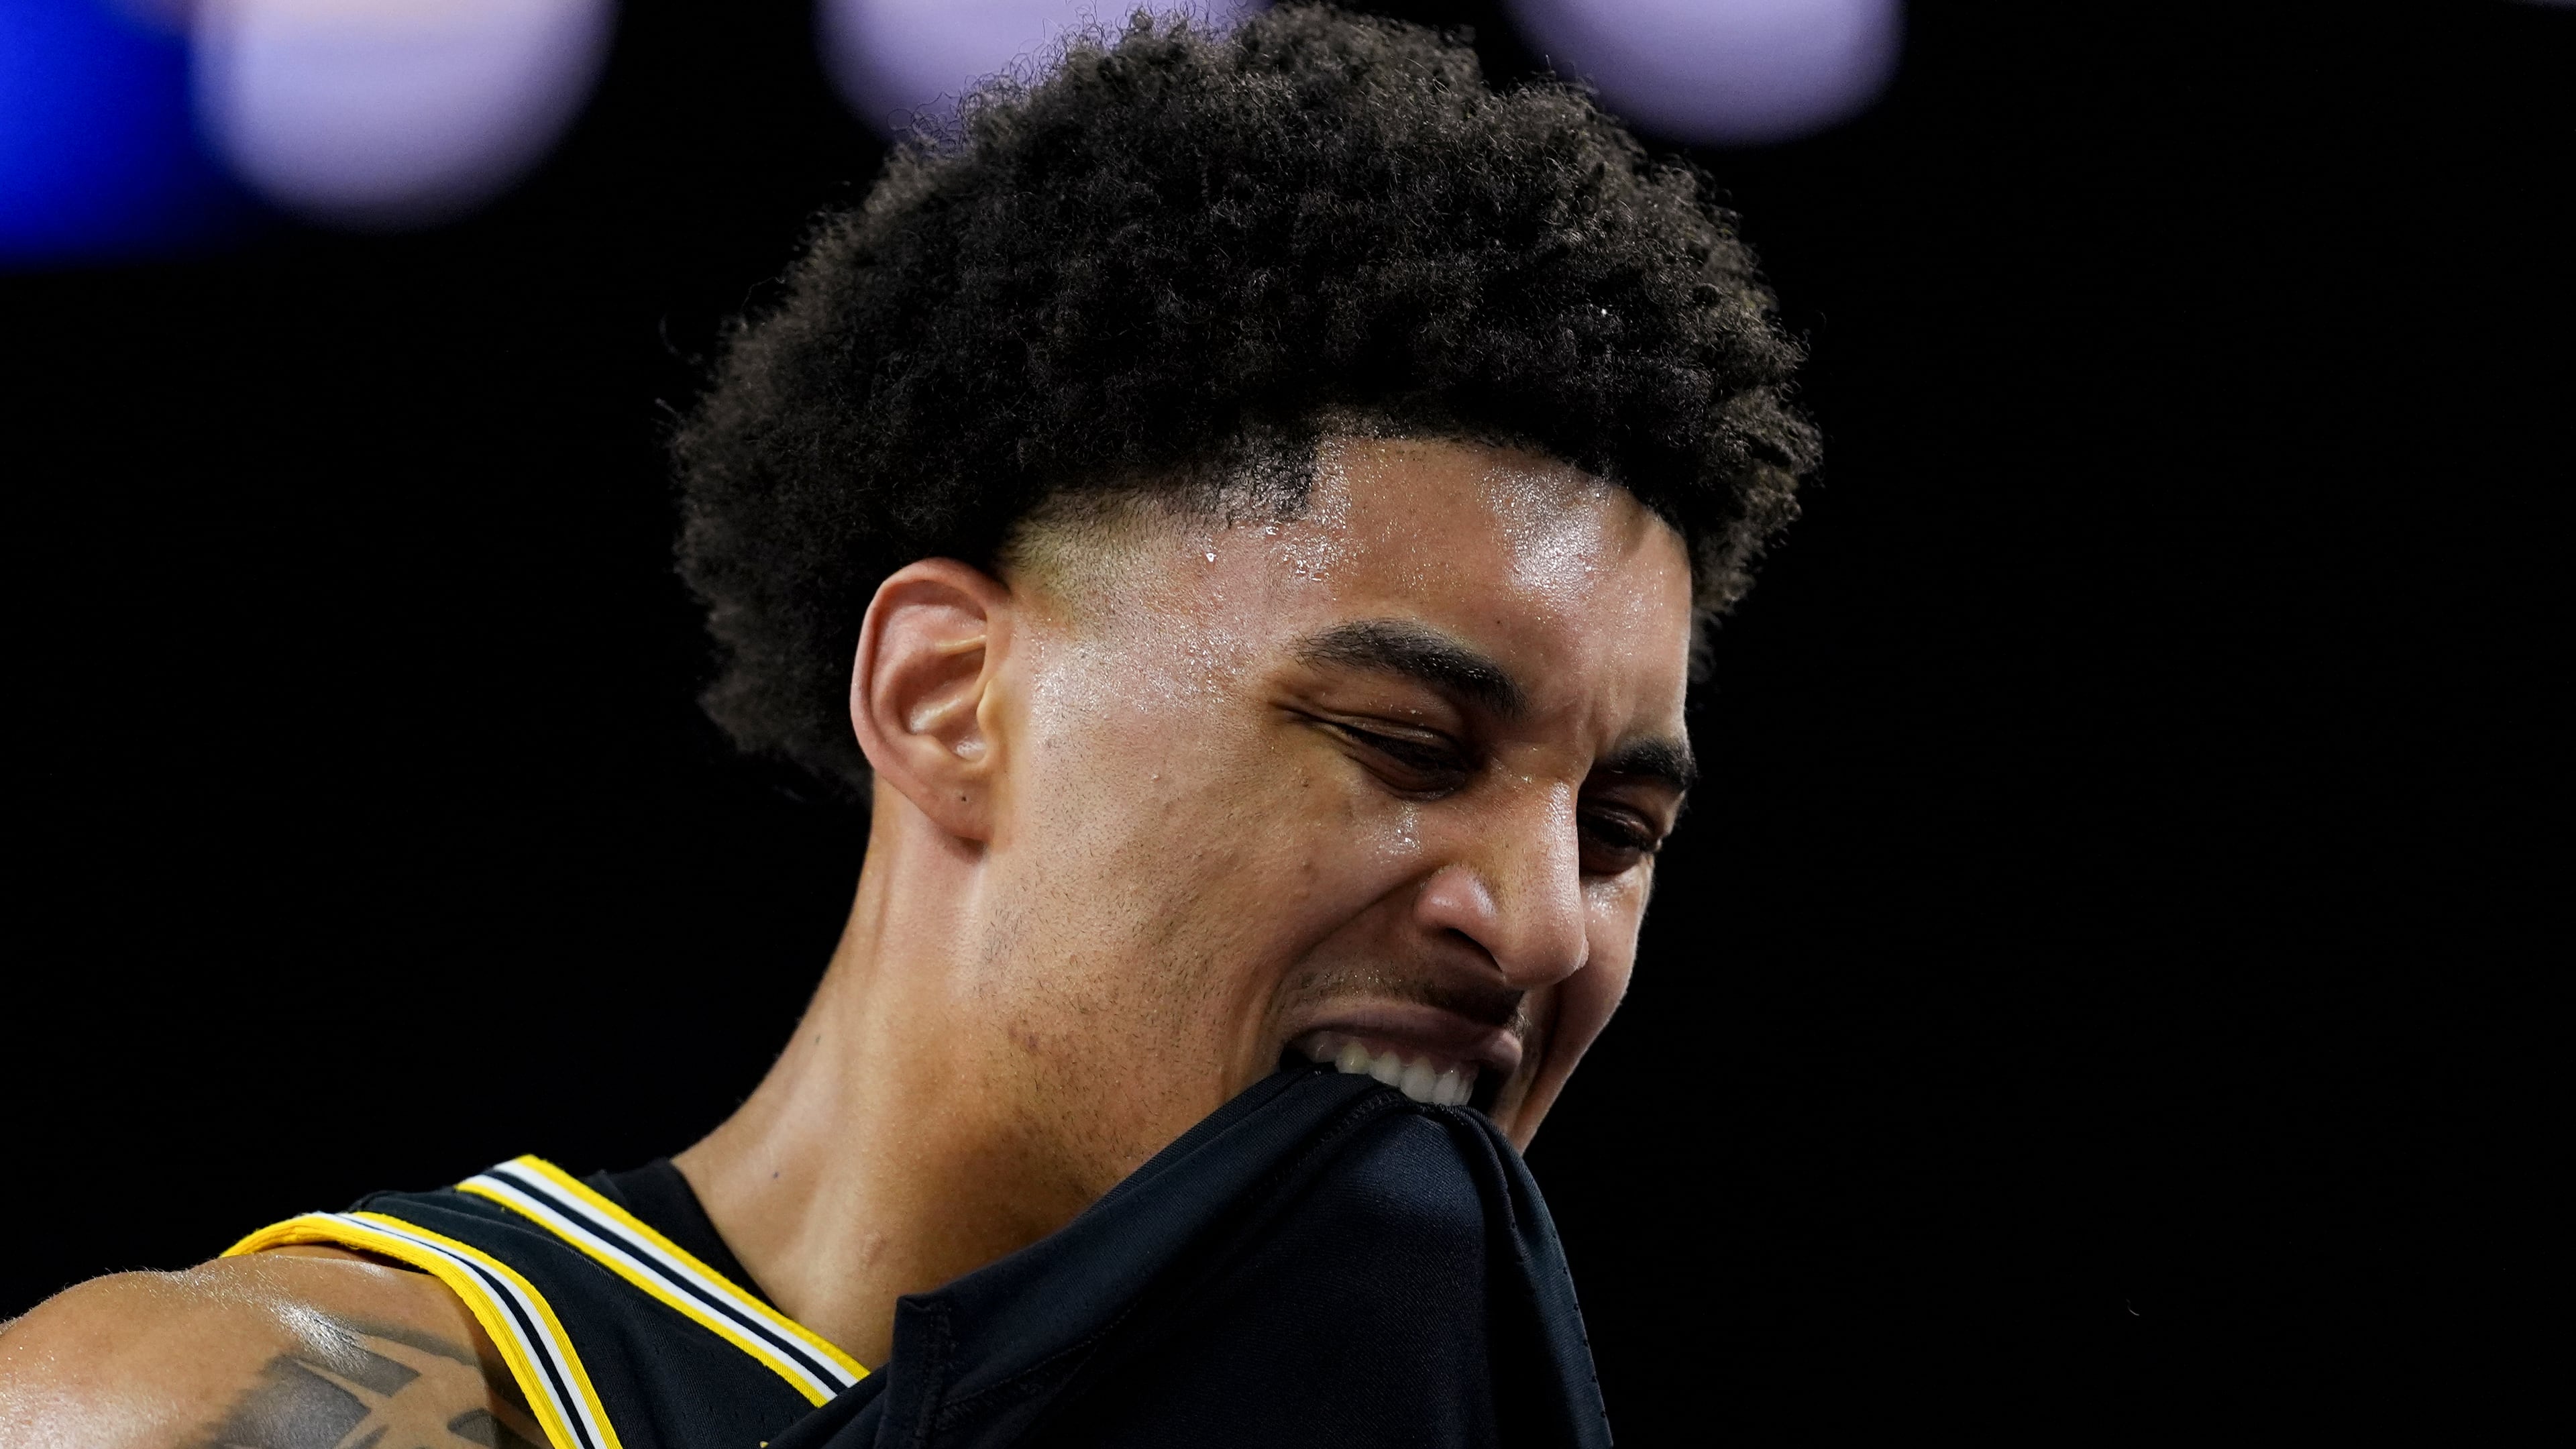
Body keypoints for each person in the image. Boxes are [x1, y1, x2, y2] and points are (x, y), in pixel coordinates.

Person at [0, 7, 1815, 1446]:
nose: (1546, 925)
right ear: (948, 702)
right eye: (1407, 745)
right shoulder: (244, 1411)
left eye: (1616, 833)